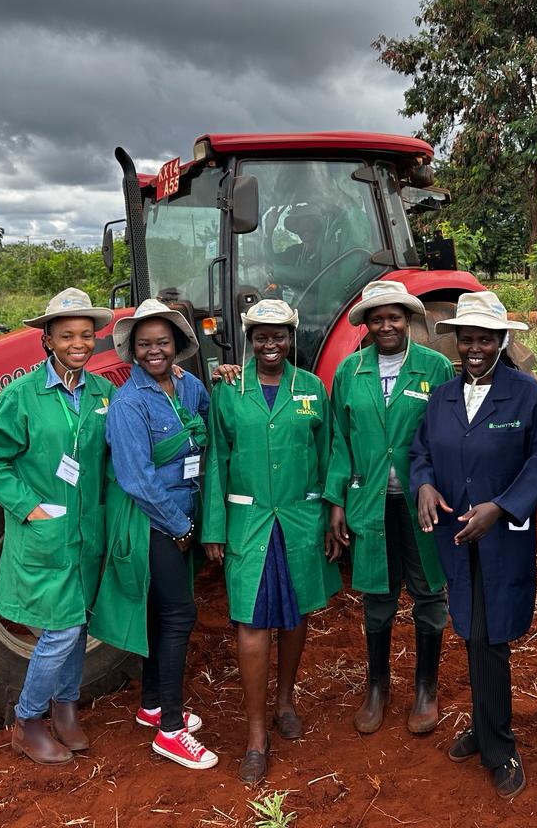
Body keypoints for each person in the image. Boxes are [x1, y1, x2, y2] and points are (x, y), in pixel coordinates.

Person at [409, 290, 537, 799]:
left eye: (486, 340)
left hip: (501, 536)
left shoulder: (526, 394)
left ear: (502, 342)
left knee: (491, 637)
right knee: (471, 630)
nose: (475, 348)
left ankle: (499, 746)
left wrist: (502, 507)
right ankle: (484, 723)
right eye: (467, 339)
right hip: (456, 534)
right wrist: (424, 485)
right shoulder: (443, 396)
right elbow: (421, 452)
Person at [0, 288, 116, 766]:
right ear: (47, 339)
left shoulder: (103, 393)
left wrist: (175, 377)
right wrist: (29, 507)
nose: (79, 343)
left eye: (87, 335)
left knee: (79, 623)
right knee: (60, 629)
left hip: (87, 533)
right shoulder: (22, 395)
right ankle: (28, 722)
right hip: (45, 532)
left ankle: (66, 710)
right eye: (67, 335)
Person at [202, 299, 340, 785]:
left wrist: (331, 512)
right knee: (252, 621)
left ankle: (285, 701)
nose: (270, 343)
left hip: (300, 520)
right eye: (261, 335)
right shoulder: (229, 390)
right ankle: (256, 736)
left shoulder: (312, 388)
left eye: (279, 334)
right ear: (249, 339)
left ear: (291, 337)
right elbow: (217, 458)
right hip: (250, 522)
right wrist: (214, 527)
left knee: (296, 613)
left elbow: (327, 453)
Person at [323, 279, 455, 735]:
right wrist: (336, 499)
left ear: (408, 319)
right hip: (368, 501)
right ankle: (377, 687)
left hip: (422, 504)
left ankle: (425, 689)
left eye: (394, 317)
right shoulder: (350, 371)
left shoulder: (436, 367)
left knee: (428, 592)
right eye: (377, 318)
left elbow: (446, 435)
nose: (386, 326)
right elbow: (339, 440)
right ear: (367, 324)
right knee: (377, 594)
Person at [90, 298, 218, 771]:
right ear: (134, 351)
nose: (154, 351)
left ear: (177, 345)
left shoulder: (189, 387)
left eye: (162, 342)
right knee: (179, 616)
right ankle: (170, 729)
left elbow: (208, 419)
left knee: (161, 615)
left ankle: (150, 704)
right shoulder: (129, 404)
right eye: (144, 344)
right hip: (154, 522)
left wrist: (225, 377)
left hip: (182, 515)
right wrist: (180, 527)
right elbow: (137, 479)